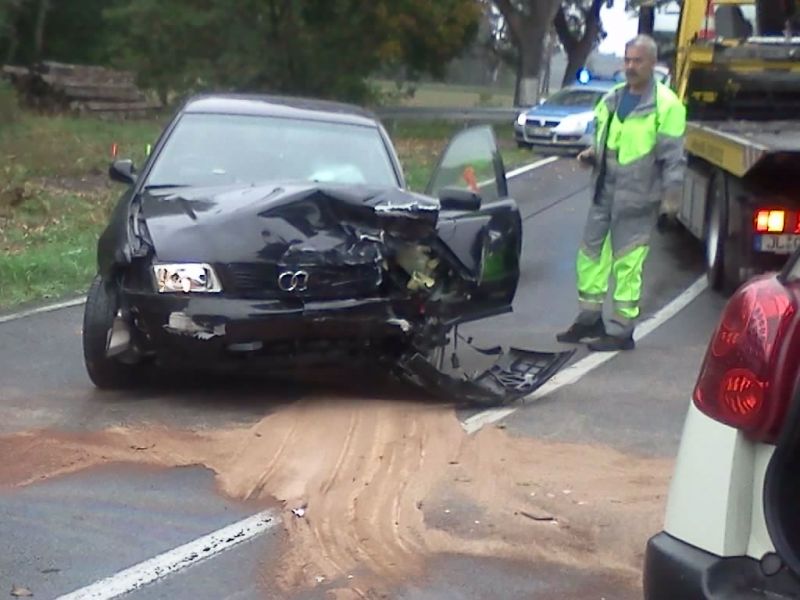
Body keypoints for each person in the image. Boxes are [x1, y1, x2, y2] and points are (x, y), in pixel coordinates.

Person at [556, 34, 686, 352]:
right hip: (604, 190)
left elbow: (673, 156)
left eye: (637, 60)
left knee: (628, 262)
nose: (630, 66)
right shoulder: (613, 98)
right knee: (591, 255)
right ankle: (589, 318)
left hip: (639, 196)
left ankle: (620, 330)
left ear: (653, 64)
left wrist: (672, 199)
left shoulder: (666, 105)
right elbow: (608, 138)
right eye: (627, 60)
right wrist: (592, 153)